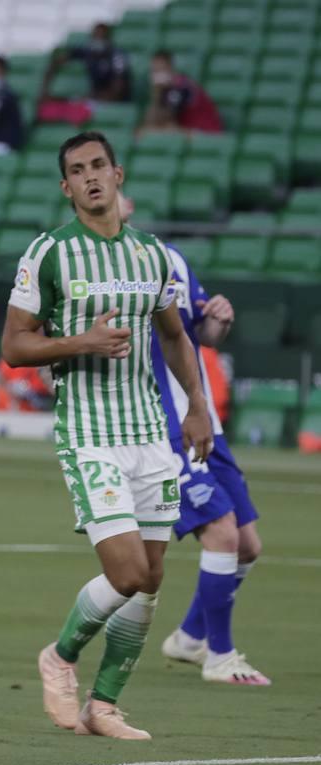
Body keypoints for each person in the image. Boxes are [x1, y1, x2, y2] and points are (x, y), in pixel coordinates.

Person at [2, 130, 213, 741]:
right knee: (126, 575)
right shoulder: (49, 253)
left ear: (117, 176)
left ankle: (106, 705)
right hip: (90, 433)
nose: (91, 176)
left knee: (151, 578)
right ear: (66, 188)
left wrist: (197, 405)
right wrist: (80, 342)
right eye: (78, 170)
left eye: (100, 165)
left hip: (150, 432)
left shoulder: (152, 255)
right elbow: (15, 346)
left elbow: (174, 334)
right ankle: (59, 658)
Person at [112, 196, 268, 685]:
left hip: (203, 423)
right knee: (221, 531)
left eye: (106, 172)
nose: (97, 184)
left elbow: (201, 333)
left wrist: (216, 318)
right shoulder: (98, 267)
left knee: (246, 545)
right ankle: (220, 656)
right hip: (160, 426)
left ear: (126, 193)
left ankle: (190, 637)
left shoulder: (170, 257)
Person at [137, 50, 223, 136]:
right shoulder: (162, 89)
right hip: (186, 132)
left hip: (206, 133)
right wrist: (156, 94)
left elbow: (165, 120)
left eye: (162, 70)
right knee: (142, 132)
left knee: (159, 131)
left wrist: (158, 93)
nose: (158, 75)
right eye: (154, 71)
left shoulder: (182, 86)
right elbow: (150, 121)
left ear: (171, 69)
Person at [41, 22, 131, 104]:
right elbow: (58, 60)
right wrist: (45, 89)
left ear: (108, 38)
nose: (98, 40)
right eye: (95, 36)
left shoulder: (117, 56)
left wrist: (95, 97)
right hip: (94, 97)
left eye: (101, 36)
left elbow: (118, 90)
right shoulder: (88, 51)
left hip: (114, 101)